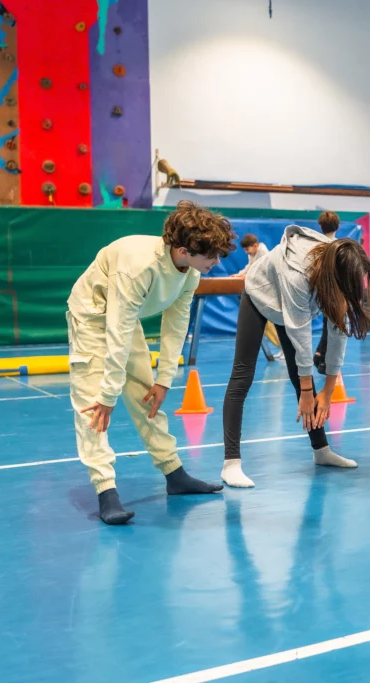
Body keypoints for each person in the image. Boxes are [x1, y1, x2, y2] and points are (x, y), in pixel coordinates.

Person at [67, 200, 235, 525]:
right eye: (211, 256)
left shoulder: (190, 271)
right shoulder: (139, 267)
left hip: (124, 319)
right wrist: (107, 395)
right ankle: (106, 492)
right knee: (93, 406)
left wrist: (164, 380)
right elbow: (116, 330)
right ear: (184, 250)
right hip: (91, 317)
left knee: (147, 395)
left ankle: (174, 474)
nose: (217, 262)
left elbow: (176, 322)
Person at [220, 228, 370, 488]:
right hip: (261, 294)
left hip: (291, 302)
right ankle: (231, 463)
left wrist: (328, 391)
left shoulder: (337, 262)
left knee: (302, 378)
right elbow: (301, 335)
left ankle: (321, 451)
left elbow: (338, 332)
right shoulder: (297, 274)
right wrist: (307, 392)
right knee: (243, 374)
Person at [236, 233, 284, 355]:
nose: (247, 252)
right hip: (264, 290)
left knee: (275, 322)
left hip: (272, 289)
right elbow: (250, 267)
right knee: (268, 323)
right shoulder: (253, 253)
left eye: (247, 249)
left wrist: (246, 275)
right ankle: (282, 348)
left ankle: (284, 348)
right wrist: (239, 274)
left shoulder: (263, 252)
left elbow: (263, 270)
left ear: (255, 245)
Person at [313, 211, 342, 374]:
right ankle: (322, 359)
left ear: (320, 227)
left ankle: (320, 355)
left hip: (320, 290)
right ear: (337, 226)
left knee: (328, 324)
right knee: (332, 327)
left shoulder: (316, 245)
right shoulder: (338, 246)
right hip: (334, 291)